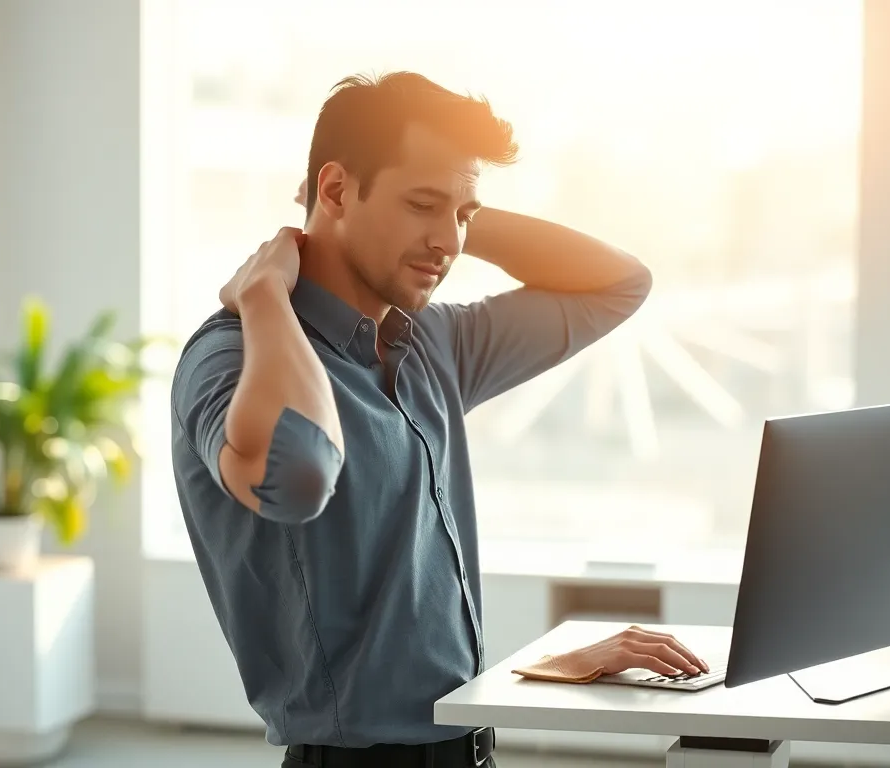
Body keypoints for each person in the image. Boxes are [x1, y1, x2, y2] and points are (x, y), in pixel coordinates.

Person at [170, 72, 708, 768]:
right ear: (334, 190)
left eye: (464, 214)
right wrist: (267, 292)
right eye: (422, 204)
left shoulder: (433, 345)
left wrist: (453, 211)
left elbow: (619, 285)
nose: (448, 242)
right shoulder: (232, 353)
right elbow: (297, 476)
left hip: (467, 748)